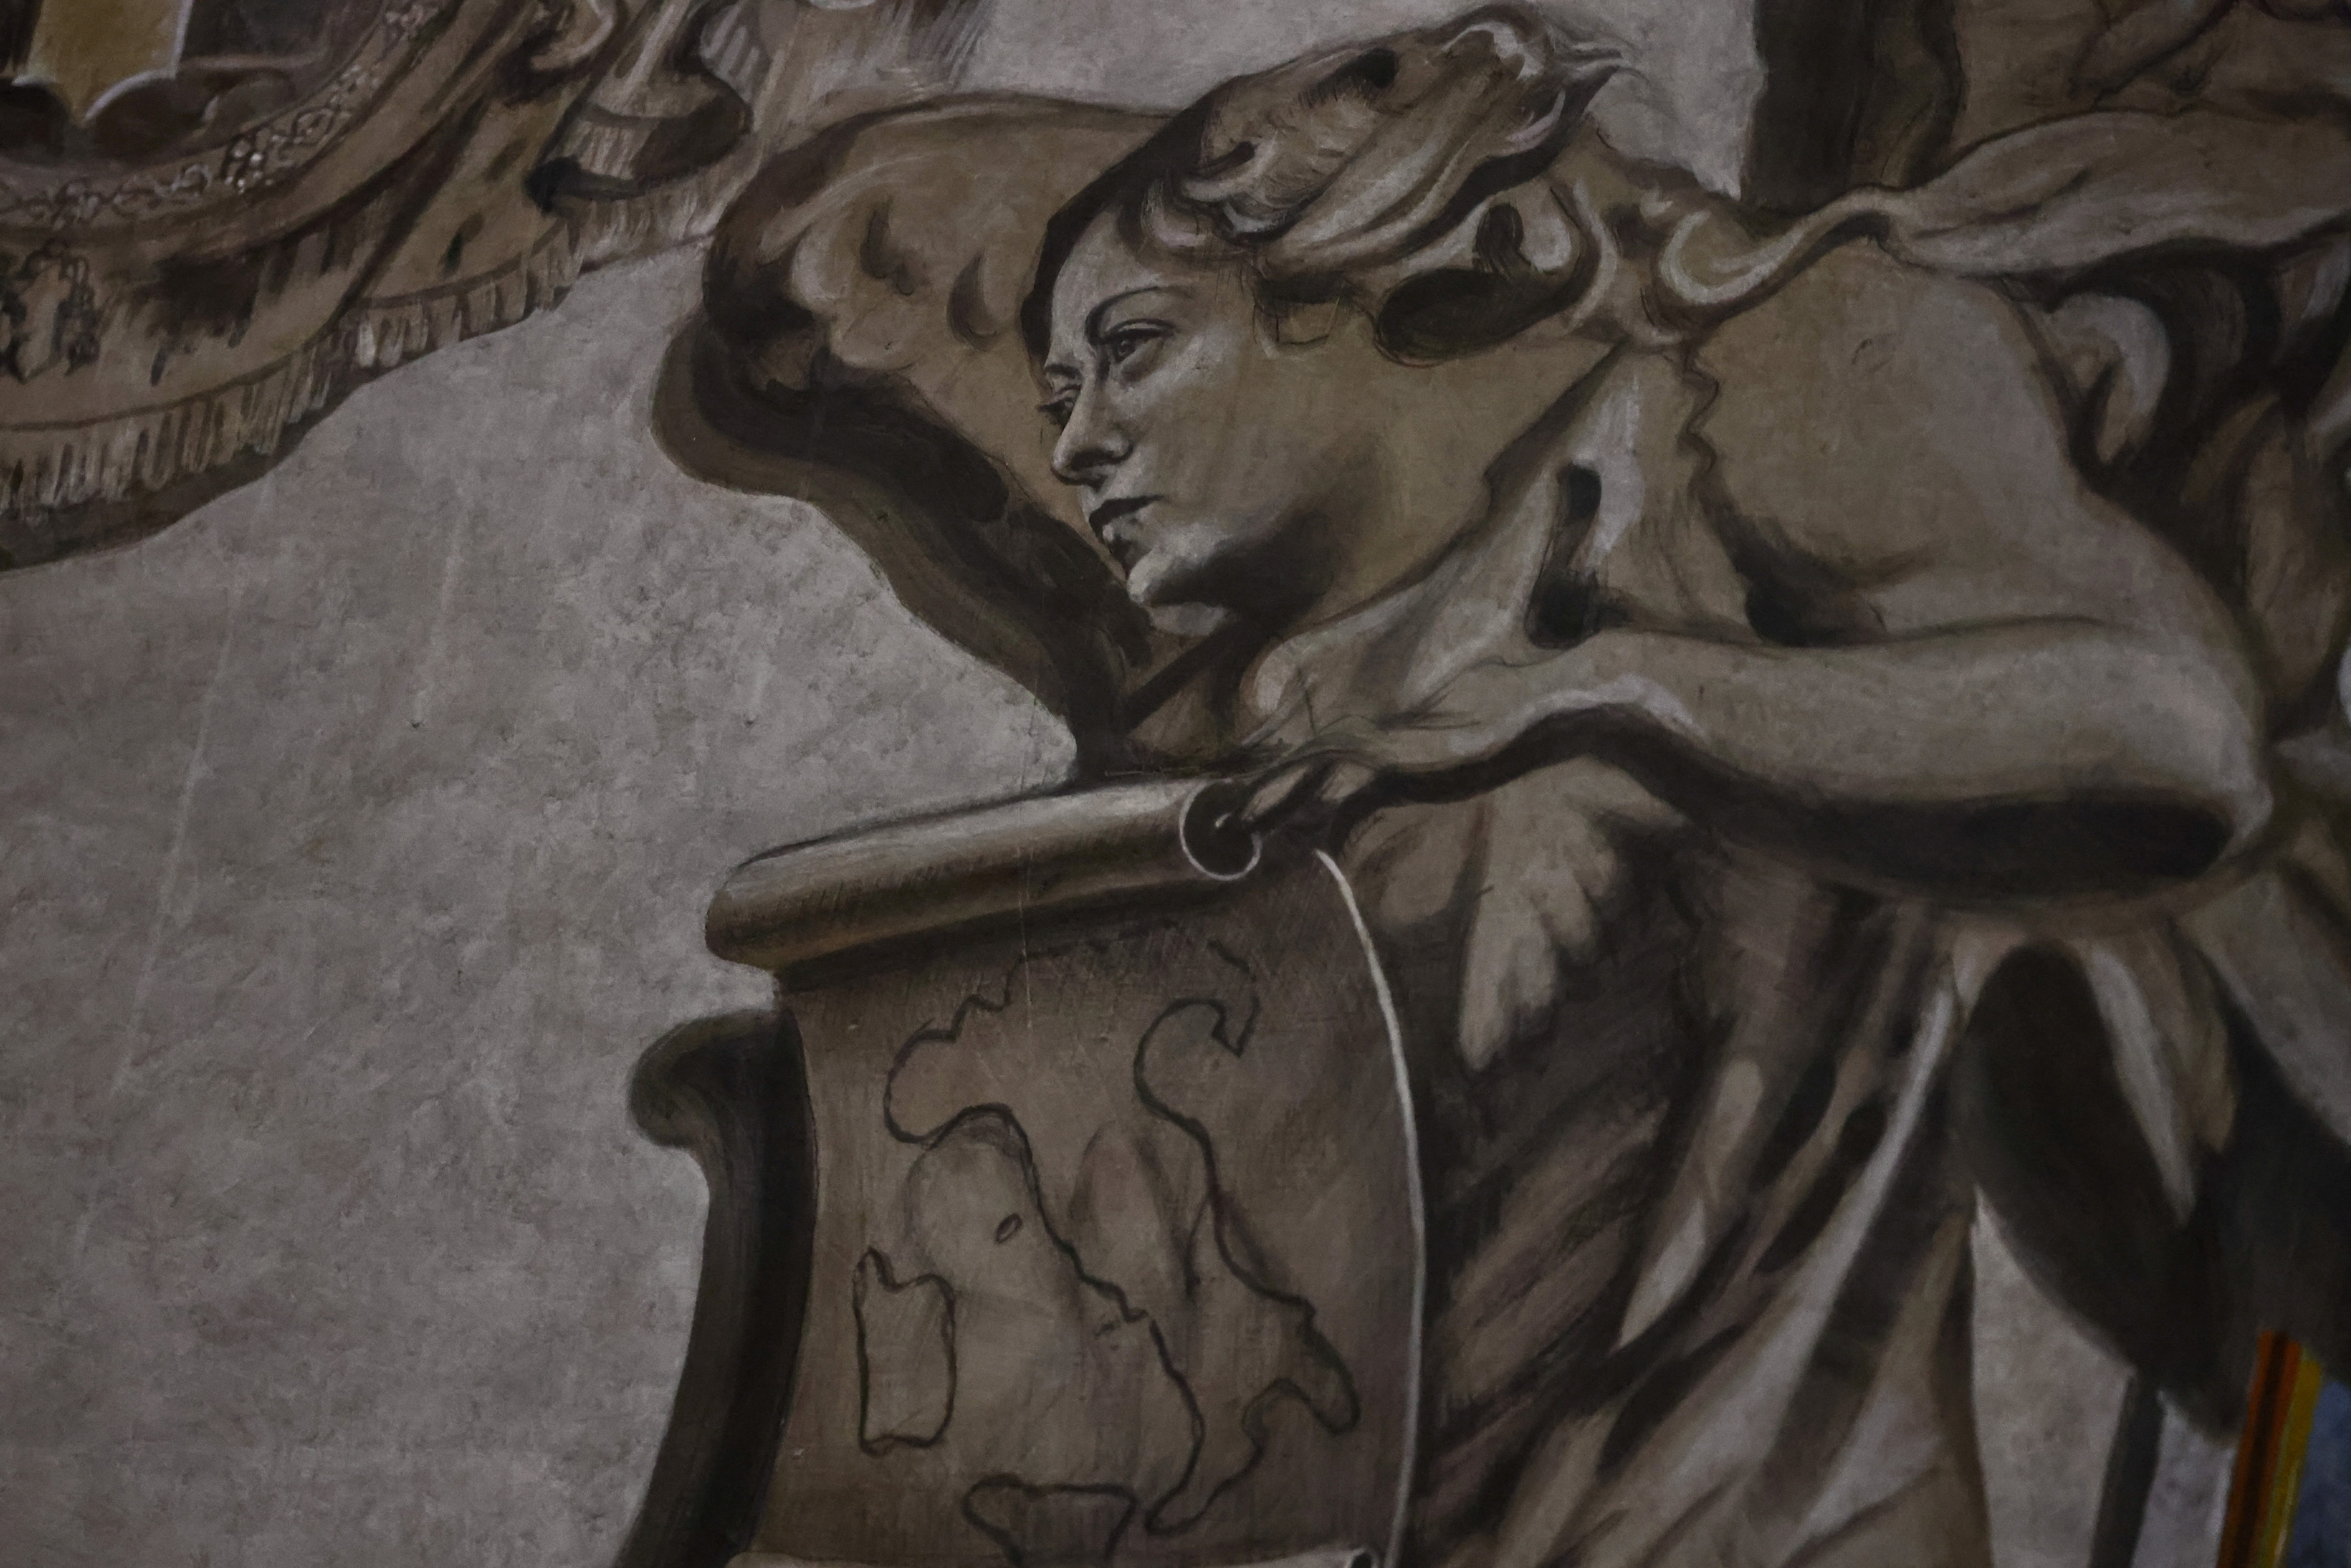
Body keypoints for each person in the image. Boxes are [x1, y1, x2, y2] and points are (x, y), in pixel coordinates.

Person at [1004, 9, 2351, 1568]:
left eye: (1133, 348)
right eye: (1058, 400)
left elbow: (2171, 730)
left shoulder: (1777, 371)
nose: (1084, 444)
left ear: (1426, 275)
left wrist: (1626, 691)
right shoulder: (1301, 708)